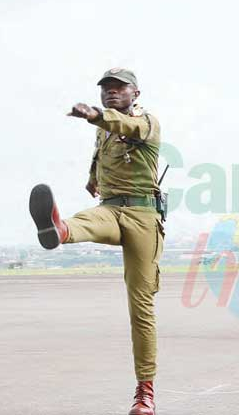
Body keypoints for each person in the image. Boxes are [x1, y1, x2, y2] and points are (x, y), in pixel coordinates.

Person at [28, 68, 164, 415]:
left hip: (143, 218)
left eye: (119, 88)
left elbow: (126, 127)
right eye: (106, 89)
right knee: (84, 221)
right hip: (112, 211)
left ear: (136, 93)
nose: (111, 93)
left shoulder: (147, 122)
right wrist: (92, 178)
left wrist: (96, 114)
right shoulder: (103, 136)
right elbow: (102, 157)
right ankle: (57, 231)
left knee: (141, 307)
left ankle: (144, 392)